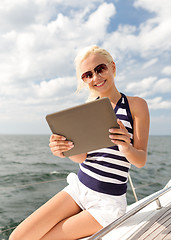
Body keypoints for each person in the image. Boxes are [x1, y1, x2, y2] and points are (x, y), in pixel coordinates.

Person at [9, 45, 150, 240]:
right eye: (87, 75)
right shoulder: (88, 109)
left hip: (107, 202)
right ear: (84, 80)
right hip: (79, 188)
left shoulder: (136, 106)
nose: (96, 77)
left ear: (112, 67)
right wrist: (65, 149)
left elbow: (140, 160)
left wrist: (126, 146)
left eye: (100, 69)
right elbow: (82, 157)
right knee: (18, 237)